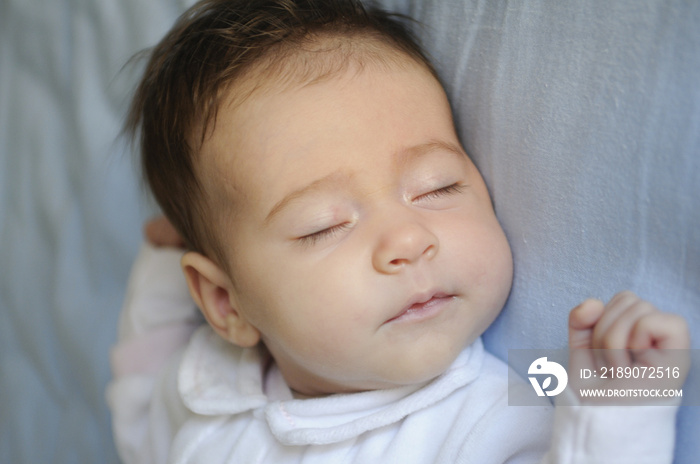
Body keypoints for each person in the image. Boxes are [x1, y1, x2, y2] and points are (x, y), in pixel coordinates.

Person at [108, 1, 690, 462]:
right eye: (324, 225)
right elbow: (140, 417)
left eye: (437, 187)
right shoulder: (208, 396)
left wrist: (626, 404)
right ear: (223, 302)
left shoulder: (489, 418)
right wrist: (162, 267)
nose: (408, 241)